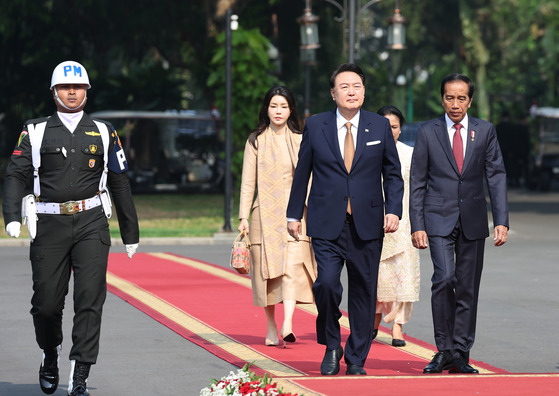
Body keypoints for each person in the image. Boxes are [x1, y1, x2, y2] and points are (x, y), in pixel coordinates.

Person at [2, 60, 140, 396]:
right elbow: (16, 174)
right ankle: (51, 353)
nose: (72, 92)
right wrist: (11, 216)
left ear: (86, 91)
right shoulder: (34, 131)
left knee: (90, 299)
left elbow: (119, 181)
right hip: (49, 224)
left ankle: (79, 372)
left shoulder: (105, 132)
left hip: (92, 221)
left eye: (78, 87)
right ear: (54, 92)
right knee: (46, 304)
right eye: (65, 87)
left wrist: (130, 232)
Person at [287, 63, 404, 376]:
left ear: (364, 91)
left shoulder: (379, 126)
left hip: (368, 222)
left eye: (357, 86)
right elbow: (302, 172)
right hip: (326, 221)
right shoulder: (316, 126)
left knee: (364, 292)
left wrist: (393, 209)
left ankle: (355, 359)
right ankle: (332, 344)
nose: (352, 92)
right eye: (345, 87)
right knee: (325, 284)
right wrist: (293, 213)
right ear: (333, 93)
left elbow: (393, 174)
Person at [410, 73, 508, 374]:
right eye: (450, 97)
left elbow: (496, 175)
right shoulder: (428, 132)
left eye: (461, 98)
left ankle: (461, 352)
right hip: (437, 218)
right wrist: (417, 224)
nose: (455, 103)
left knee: (467, 287)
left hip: (474, 219)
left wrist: (501, 220)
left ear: (470, 100)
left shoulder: (485, 131)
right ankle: (443, 349)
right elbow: (417, 181)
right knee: (444, 279)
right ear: (442, 99)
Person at [238, 85, 316, 348]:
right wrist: (243, 217)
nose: (279, 111)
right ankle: (271, 327)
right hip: (264, 214)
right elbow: (248, 182)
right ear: (266, 109)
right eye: (274, 106)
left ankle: (288, 323)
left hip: (295, 215)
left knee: (293, 267)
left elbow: (311, 177)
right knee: (268, 273)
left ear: (291, 109)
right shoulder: (256, 140)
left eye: (283, 106)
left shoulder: (301, 138)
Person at [373, 105, 420, 347]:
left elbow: (418, 191)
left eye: (394, 126)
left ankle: (397, 327)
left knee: (404, 276)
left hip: (404, 224)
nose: (390, 131)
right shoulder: (368, 151)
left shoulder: (410, 154)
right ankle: (375, 318)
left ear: (401, 130)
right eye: (385, 126)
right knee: (377, 276)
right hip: (373, 222)